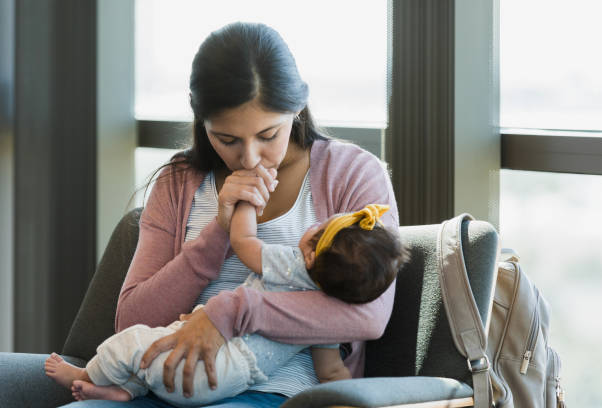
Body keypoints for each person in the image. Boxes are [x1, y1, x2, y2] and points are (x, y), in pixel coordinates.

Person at [0, 21, 397, 408]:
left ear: (297, 108)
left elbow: (368, 316)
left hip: (277, 394)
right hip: (157, 386)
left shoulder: (353, 175)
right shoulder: (179, 181)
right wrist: (218, 231)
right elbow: (132, 319)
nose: (249, 157)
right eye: (227, 139)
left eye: (268, 135)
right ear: (201, 122)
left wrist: (231, 314)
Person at [43, 204, 404, 406]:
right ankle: (126, 390)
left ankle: (88, 374)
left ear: (311, 253)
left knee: (135, 341)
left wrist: (245, 203)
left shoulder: (292, 264)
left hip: (209, 361)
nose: (315, 224)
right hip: (231, 380)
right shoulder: (326, 320)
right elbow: (332, 374)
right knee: (153, 350)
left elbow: (245, 242)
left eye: (321, 227)